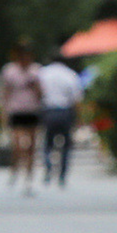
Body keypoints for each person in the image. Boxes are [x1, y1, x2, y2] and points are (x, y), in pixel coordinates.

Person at [0, 39, 43, 195]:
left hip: (32, 111)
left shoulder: (36, 71)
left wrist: (36, 87)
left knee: (31, 147)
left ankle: (29, 177)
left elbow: (41, 94)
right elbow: (5, 93)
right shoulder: (10, 71)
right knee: (18, 145)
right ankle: (15, 169)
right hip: (16, 111)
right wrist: (4, 113)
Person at [39, 51, 84, 186]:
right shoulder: (70, 74)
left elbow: (38, 93)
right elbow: (77, 99)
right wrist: (79, 118)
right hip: (65, 112)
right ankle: (62, 174)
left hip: (49, 111)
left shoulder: (43, 73)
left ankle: (48, 168)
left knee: (47, 144)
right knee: (66, 146)